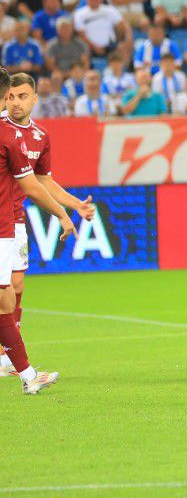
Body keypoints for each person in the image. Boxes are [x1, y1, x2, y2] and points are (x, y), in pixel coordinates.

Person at [0, 73, 95, 377]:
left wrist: (74, 204)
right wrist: (60, 214)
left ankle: (7, 357)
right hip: (3, 218)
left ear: (35, 99)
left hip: (16, 219)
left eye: (23, 96)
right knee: (5, 292)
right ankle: (17, 362)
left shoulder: (40, 136)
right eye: (11, 97)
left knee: (17, 286)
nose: (16, 103)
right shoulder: (3, 130)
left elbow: (43, 181)